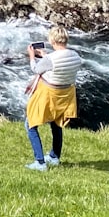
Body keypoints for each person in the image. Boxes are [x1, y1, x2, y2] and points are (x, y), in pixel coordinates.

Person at [23, 25, 83, 171]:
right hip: (65, 94)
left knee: (30, 124)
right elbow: (62, 64)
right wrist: (45, 56)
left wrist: (32, 56)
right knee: (56, 123)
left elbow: (36, 69)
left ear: (52, 40)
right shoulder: (76, 56)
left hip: (48, 94)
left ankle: (40, 162)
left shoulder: (51, 59)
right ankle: (54, 157)